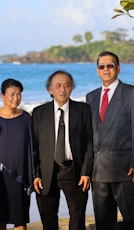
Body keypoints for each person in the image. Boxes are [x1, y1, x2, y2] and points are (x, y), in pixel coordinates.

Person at [32, 70, 93, 230]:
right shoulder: (39, 113)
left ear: (71, 88)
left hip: (74, 171)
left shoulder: (83, 110)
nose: (62, 89)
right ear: (50, 89)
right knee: (48, 218)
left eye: (67, 85)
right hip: (47, 172)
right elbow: (34, 146)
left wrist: (86, 172)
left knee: (77, 217)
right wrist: (36, 174)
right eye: (58, 85)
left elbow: (90, 143)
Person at [86, 51, 134, 230]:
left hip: (125, 169)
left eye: (110, 65)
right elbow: (90, 135)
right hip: (98, 171)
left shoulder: (130, 93)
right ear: (97, 70)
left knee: (130, 220)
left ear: (118, 68)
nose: (106, 69)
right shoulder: (91, 97)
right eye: (101, 66)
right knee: (103, 222)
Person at [0, 78, 35, 230]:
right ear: (2, 96)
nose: (16, 98)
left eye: (19, 94)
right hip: (0, 175)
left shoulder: (26, 118)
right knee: (1, 219)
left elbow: (32, 147)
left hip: (21, 175)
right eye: (12, 94)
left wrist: (34, 174)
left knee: (20, 220)